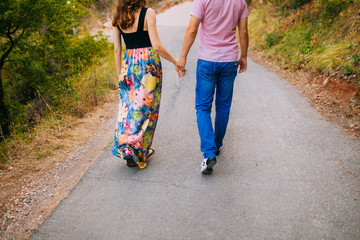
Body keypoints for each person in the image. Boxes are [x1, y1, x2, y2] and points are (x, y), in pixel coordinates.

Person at [177, 0, 249, 174]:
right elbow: (244, 31)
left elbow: (192, 28)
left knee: (202, 108)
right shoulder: (240, 1)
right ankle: (216, 145)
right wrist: (244, 56)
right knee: (223, 107)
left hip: (207, 60)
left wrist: (183, 57)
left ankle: (209, 153)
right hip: (229, 60)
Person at [112, 0, 178, 168]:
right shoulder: (147, 13)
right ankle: (140, 150)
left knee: (127, 108)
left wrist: (120, 74)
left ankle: (127, 147)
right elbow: (156, 45)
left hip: (128, 65)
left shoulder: (118, 16)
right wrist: (175, 61)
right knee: (147, 109)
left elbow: (117, 50)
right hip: (148, 65)